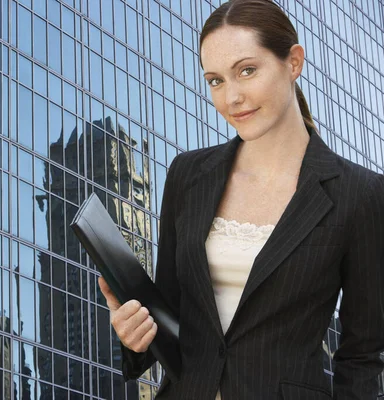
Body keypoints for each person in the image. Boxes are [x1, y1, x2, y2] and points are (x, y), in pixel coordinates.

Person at [98, 0, 384, 398]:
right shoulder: (187, 175)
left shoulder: (362, 193)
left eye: (246, 71)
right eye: (215, 80)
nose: (231, 97)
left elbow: (363, 355)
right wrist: (134, 335)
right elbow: (169, 315)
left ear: (293, 62)